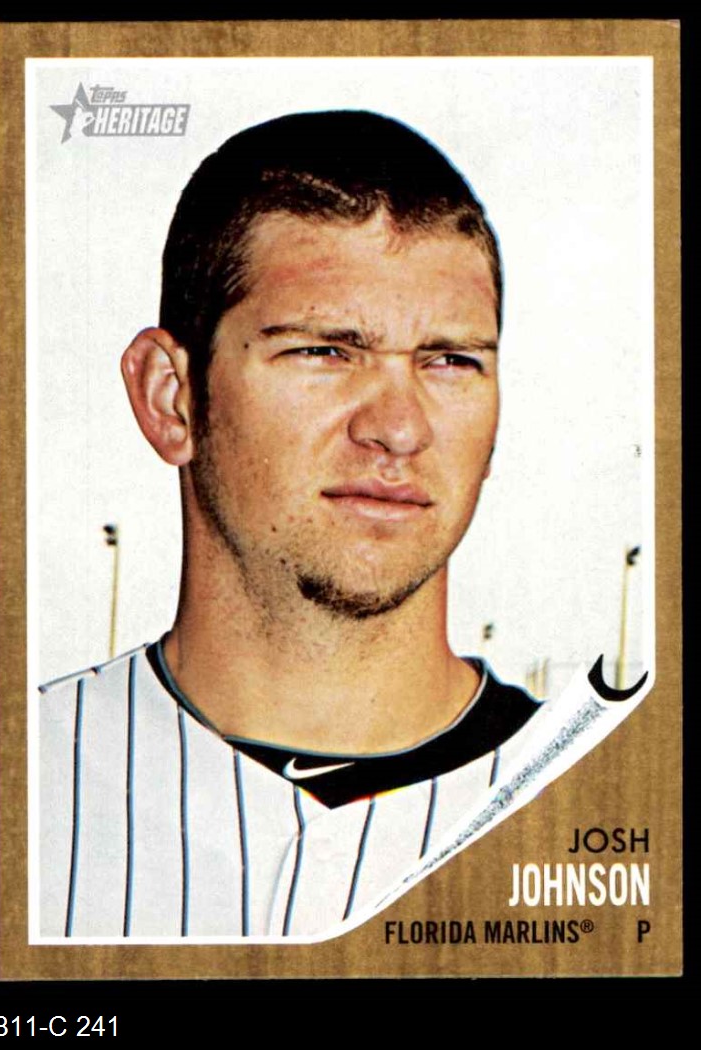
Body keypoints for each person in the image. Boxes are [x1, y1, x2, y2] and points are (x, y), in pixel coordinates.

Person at [38, 110, 633, 942]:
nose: (399, 428)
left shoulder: (621, 811)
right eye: (324, 351)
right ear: (171, 399)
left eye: (450, 361)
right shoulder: (27, 784)